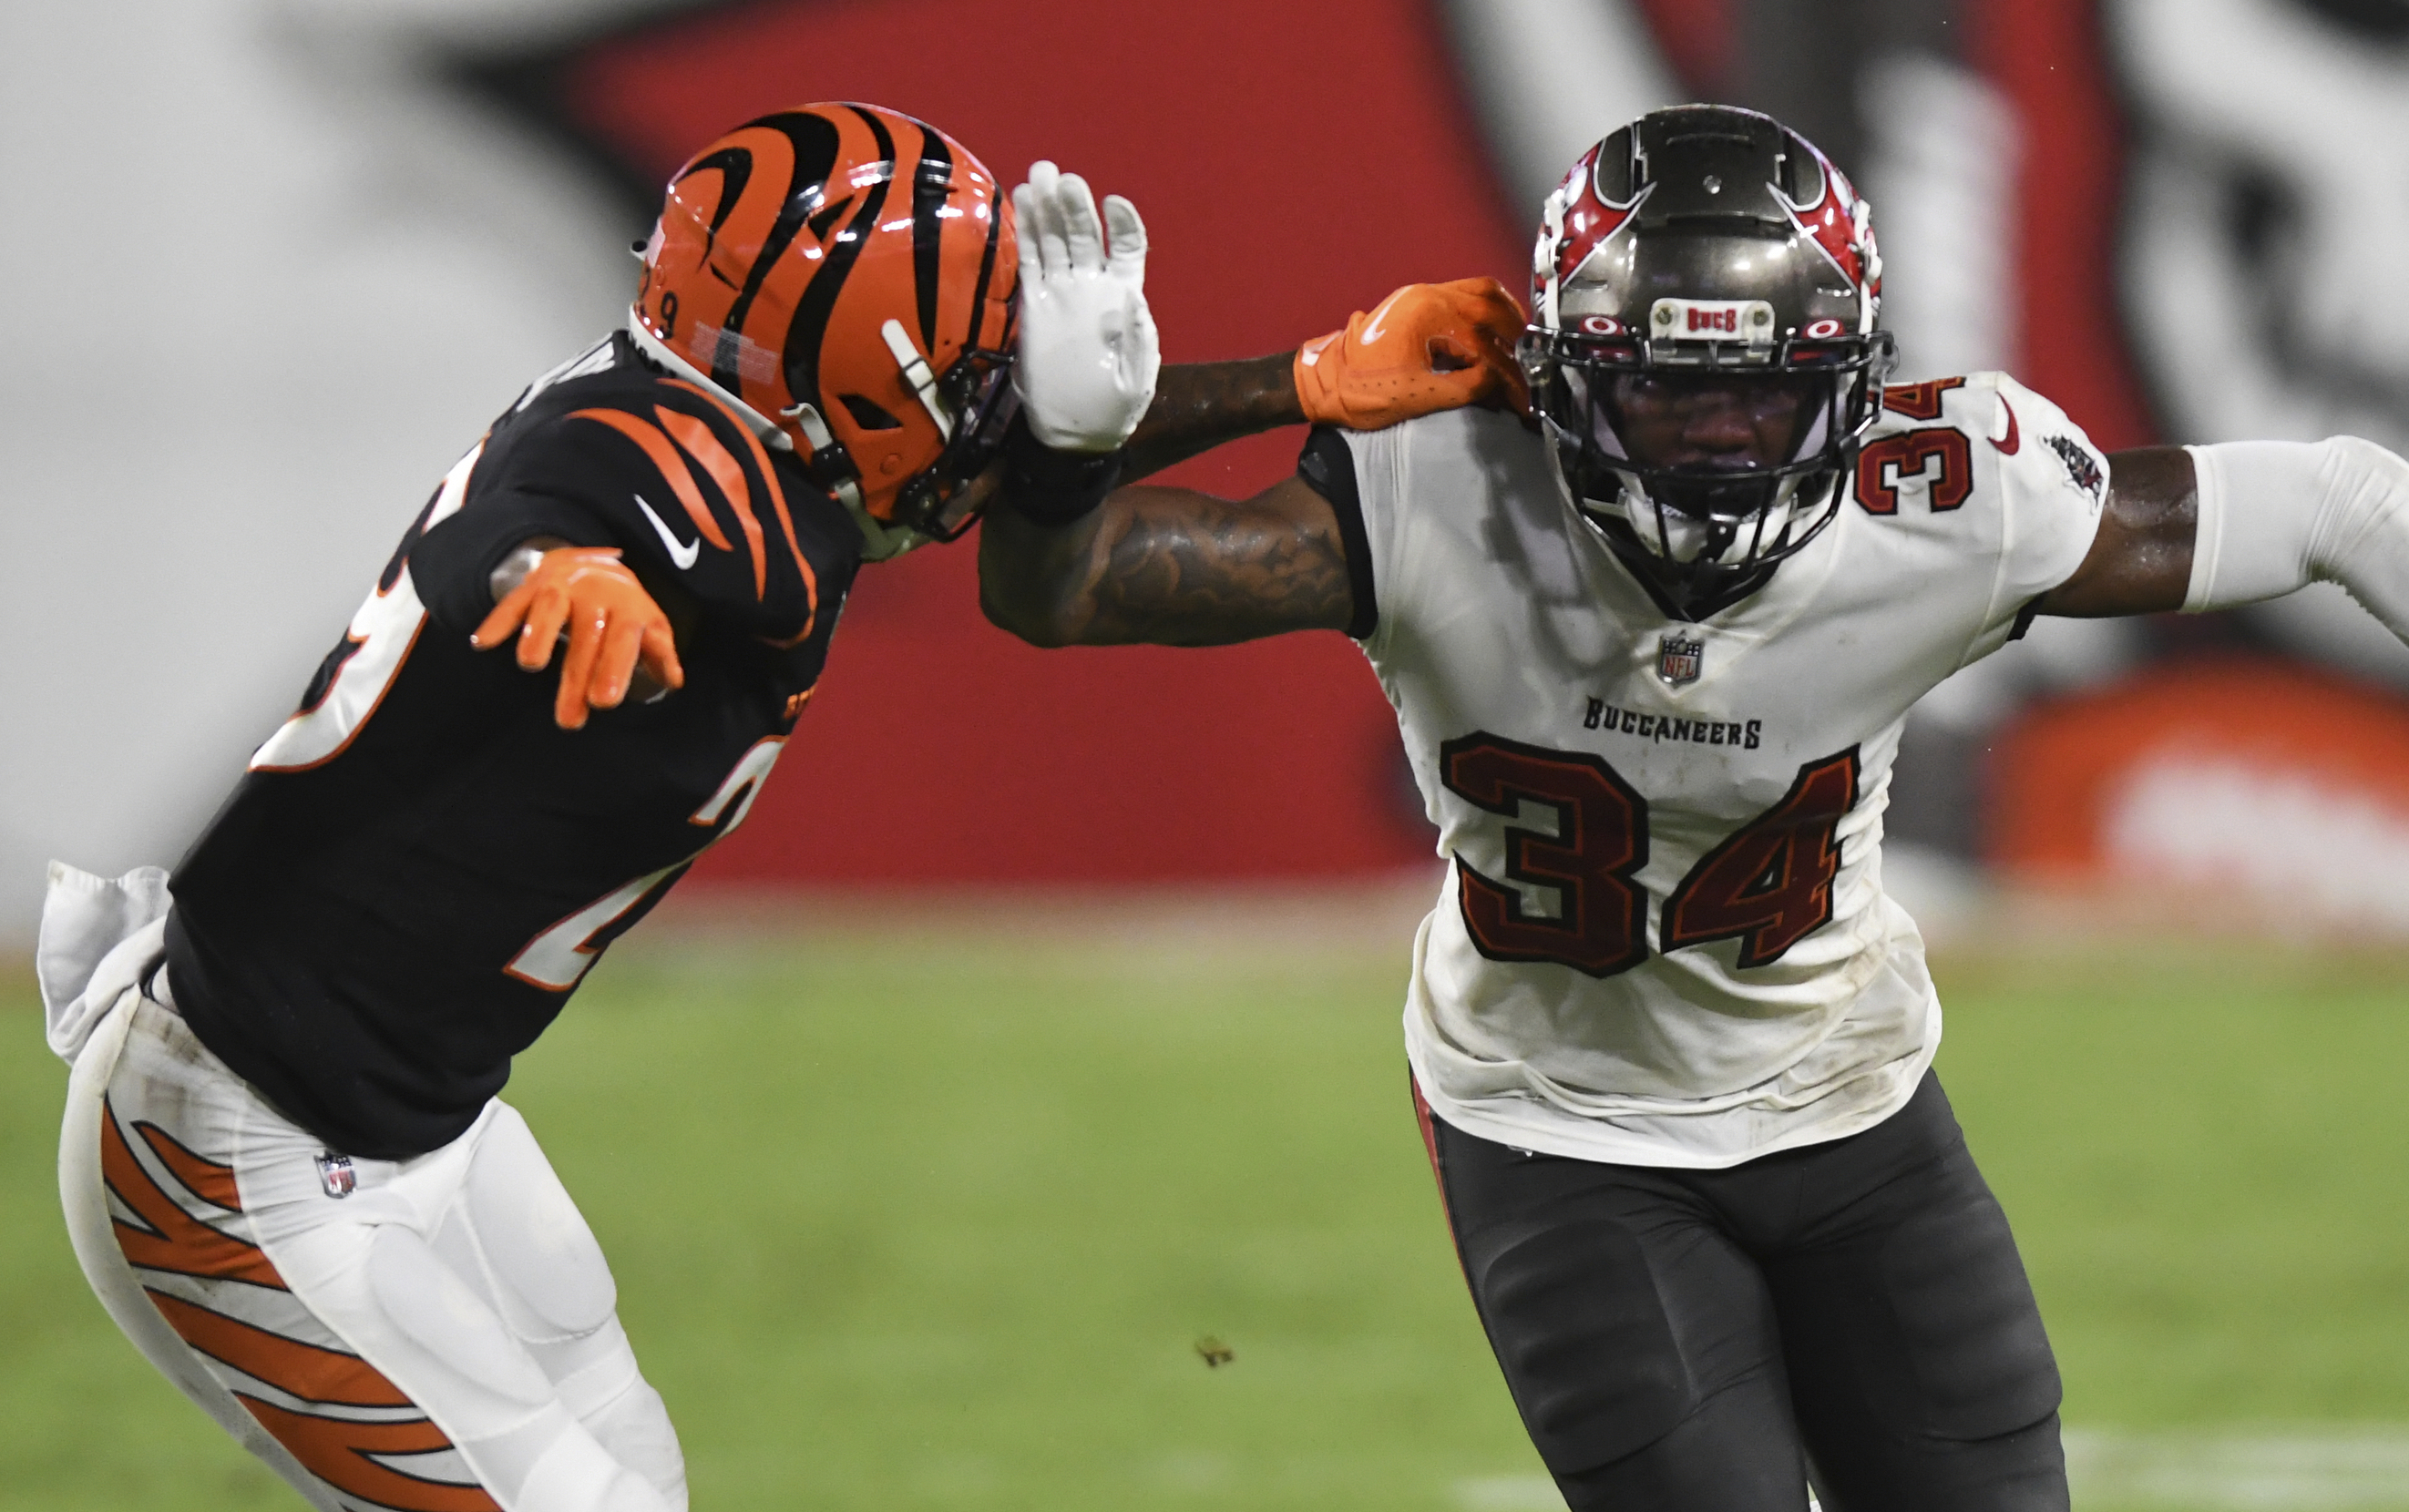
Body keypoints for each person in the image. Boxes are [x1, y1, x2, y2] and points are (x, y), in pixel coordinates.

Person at [975, 104, 2409, 1511]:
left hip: (1857, 1109)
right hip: (1566, 1135)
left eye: (1755, 401)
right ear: (1549, 373)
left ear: (1851, 389)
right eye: (1665, 393)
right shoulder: (1434, 487)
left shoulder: (1960, 495)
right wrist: (1104, 426)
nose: (1713, 452)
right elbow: (1051, 594)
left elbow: (2351, 499)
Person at [36, 101, 1519, 1512]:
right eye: (973, 374)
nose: (994, 410)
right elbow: (542, 519)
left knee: (635, 1481)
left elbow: (982, 481)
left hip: (408, 1126)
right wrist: (557, 574)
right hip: (230, 1154)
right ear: (860, 387)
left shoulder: (751, 445)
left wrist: (1307, 380)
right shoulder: (652, 483)